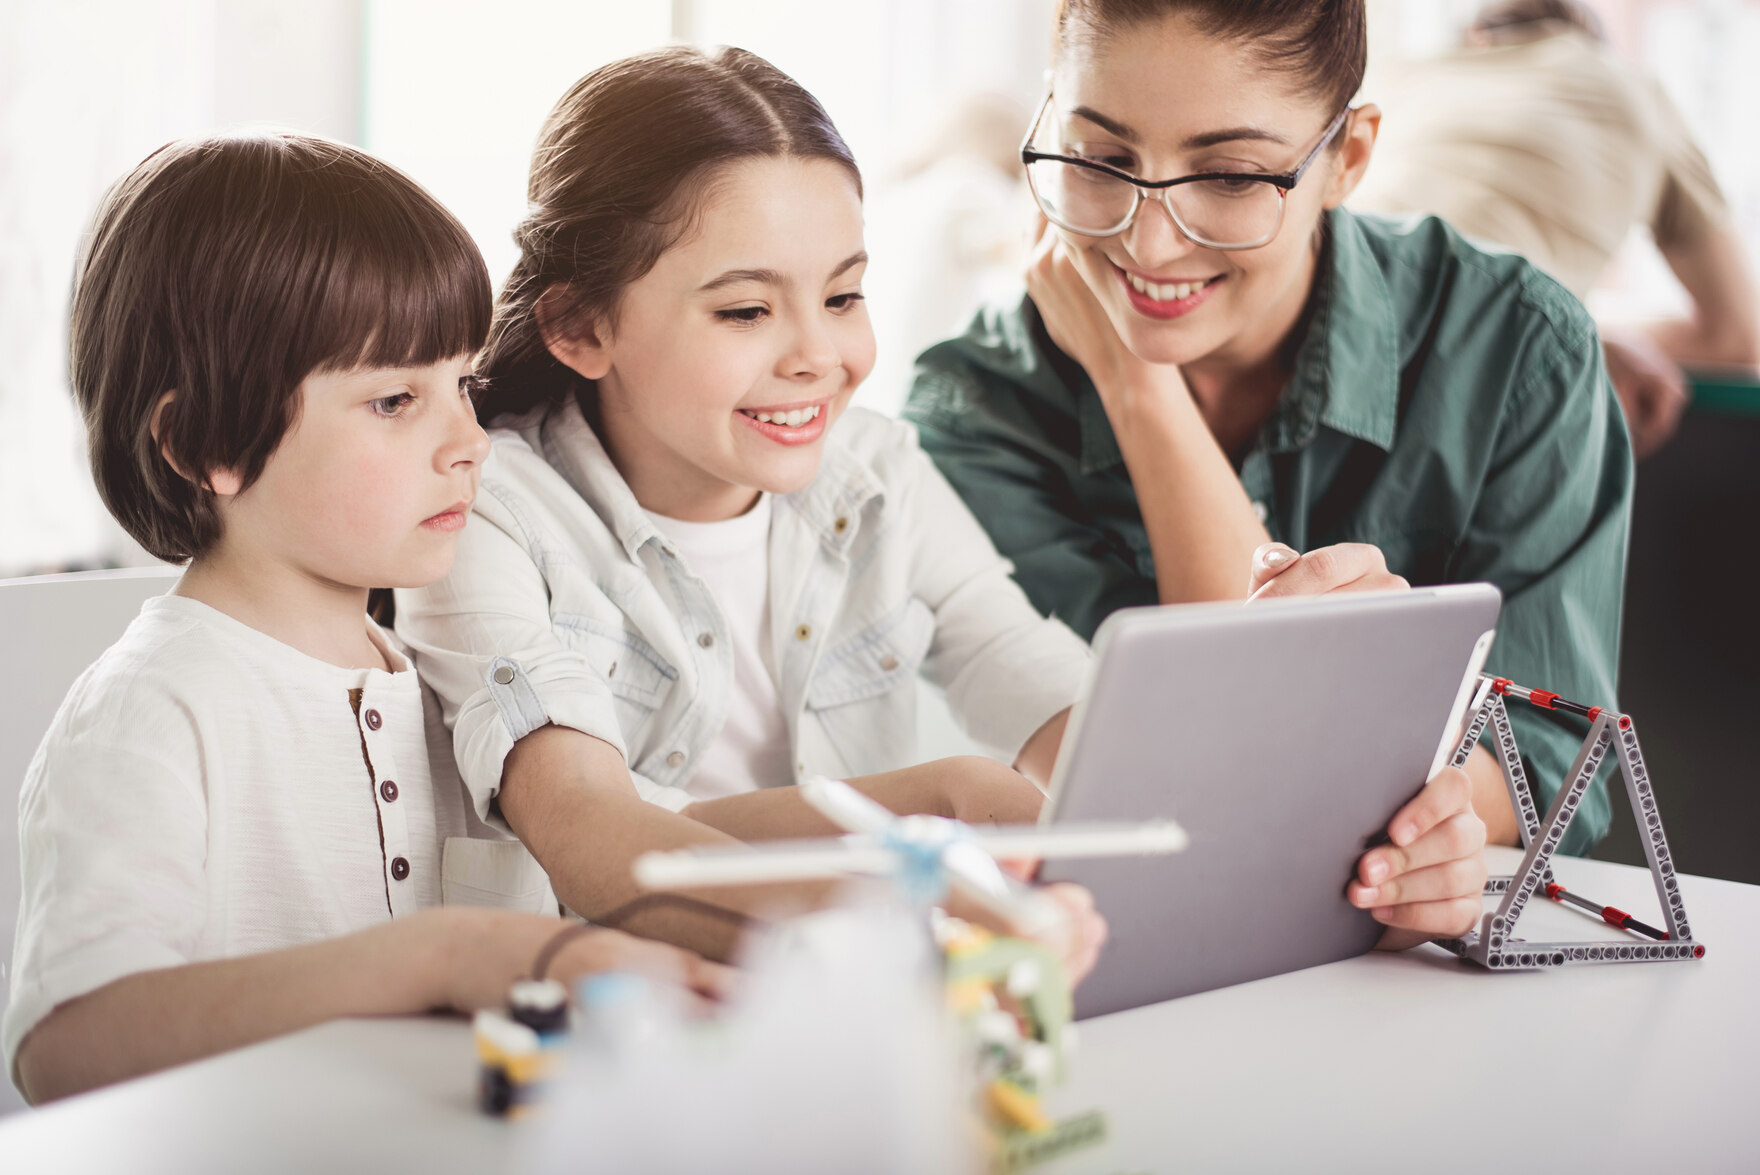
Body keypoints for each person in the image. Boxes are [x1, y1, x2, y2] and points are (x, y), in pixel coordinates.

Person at [395, 44, 1486, 968]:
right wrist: (923, 844)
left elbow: (1057, 705)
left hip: (849, 1032)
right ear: (582, 329)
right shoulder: (485, 510)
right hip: (590, 1039)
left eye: (843, 295)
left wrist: (1324, 835)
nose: (818, 356)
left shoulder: (875, 475)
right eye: (744, 309)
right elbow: (590, 842)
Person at [6, 134, 723, 1105]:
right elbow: (67, 1042)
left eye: (461, 386)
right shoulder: (154, 709)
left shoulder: (443, 675)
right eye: (394, 399)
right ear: (202, 443)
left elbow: (641, 828)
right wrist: (439, 954)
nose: (468, 443)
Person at [904, 0, 1631, 864]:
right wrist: (1139, 390)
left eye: (1232, 177)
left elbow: (1552, 756)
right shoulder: (975, 407)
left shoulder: (1517, 350)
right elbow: (1198, 778)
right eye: (1099, 157)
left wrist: (1428, 843)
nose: (1150, 243)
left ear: (1349, 157)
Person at [1351, 0, 1760, 458]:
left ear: (1478, 37)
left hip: (1323, 327)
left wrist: (1576, 329)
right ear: (1588, 44)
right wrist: (1582, 331)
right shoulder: (1634, 91)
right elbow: (1738, 338)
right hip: (1462, 396)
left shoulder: (1393, 78)